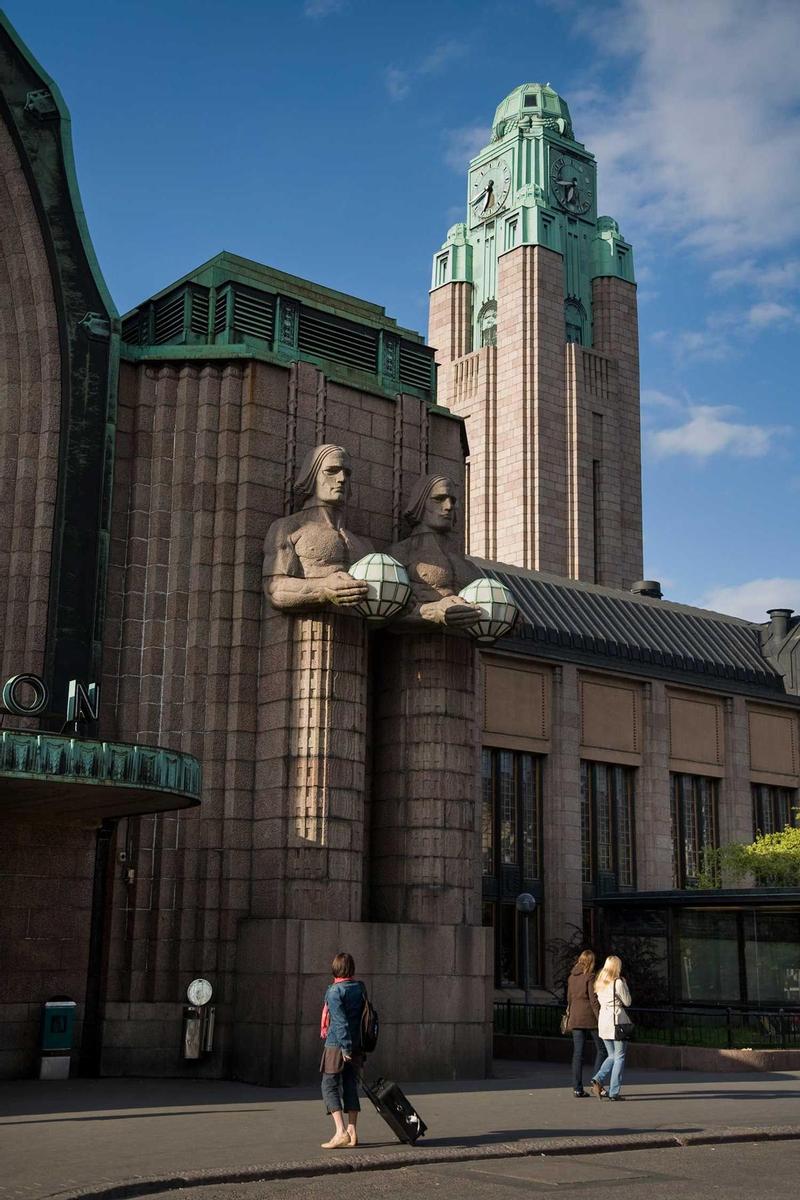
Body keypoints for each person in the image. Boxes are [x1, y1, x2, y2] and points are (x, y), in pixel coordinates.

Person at [263, 444, 372, 612]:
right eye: (331, 471)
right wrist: (323, 588)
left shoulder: (363, 545)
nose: (342, 478)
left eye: (347, 473)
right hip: (305, 631)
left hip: (357, 634)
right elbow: (274, 590)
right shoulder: (288, 528)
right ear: (312, 476)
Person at [389, 474, 483, 629]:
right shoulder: (400, 553)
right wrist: (431, 611)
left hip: (462, 649)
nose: (448, 506)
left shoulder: (468, 566)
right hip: (414, 646)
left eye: (452, 501)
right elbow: (382, 614)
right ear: (420, 503)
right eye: (439, 499)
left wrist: (508, 618)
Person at [319, 951, 366, 1148]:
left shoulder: (335, 991)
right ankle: (352, 1131)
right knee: (349, 1084)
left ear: (336, 969)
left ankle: (340, 1132)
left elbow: (339, 1022)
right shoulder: (359, 987)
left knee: (328, 1085)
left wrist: (345, 1048)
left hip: (338, 1045)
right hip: (357, 1043)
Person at [590, 954, 633, 1101]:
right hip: (617, 1023)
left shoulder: (600, 982)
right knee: (619, 1057)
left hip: (604, 1022)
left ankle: (597, 1079)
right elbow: (627, 1002)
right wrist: (625, 984)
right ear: (617, 967)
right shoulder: (618, 982)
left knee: (612, 1055)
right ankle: (614, 1091)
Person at [565, 949, 606, 1097]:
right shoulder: (590, 976)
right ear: (591, 961)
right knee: (602, 1049)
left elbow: (569, 999)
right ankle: (596, 1081)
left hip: (575, 1017)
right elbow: (593, 1000)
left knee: (578, 1053)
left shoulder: (571, 977)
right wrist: (600, 1018)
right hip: (590, 1018)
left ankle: (577, 1088)